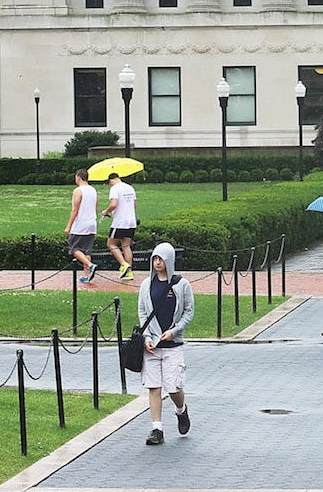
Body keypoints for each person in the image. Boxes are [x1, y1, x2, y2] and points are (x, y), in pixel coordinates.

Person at [138, 242, 194, 445]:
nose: (157, 262)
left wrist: (174, 331)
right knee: (153, 386)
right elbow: (143, 312)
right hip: (152, 346)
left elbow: (189, 311)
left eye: (160, 259)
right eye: (154, 259)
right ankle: (157, 429)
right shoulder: (146, 285)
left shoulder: (182, 285)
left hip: (173, 344)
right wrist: (146, 338)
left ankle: (181, 410)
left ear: (169, 261)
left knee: (173, 387)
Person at [64, 169, 99, 283]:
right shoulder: (93, 190)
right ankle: (86, 275)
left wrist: (69, 226)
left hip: (81, 224)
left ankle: (89, 266)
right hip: (92, 223)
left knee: (74, 249)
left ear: (78, 177)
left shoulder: (78, 191)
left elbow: (75, 209)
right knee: (86, 250)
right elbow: (96, 207)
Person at [101, 172, 137, 281]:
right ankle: (129, 273)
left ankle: (123, 264)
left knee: (111, 244)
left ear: (111, 180)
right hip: (131, 221)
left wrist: (105, 211)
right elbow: (134, 204)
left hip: (120, 222)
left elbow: (113, 204)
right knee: (126, 245)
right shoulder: (130, 188)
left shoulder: (115, 188)